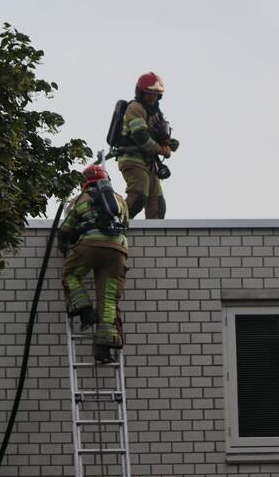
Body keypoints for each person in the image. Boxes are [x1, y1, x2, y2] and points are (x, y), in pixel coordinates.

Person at [58, 163, 130, 363]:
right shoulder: (120, 201)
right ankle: (103, 349)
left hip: (89, 246)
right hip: (118, 251)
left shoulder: (81, 199)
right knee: (107, 299)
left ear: (85, 183)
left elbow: (65, 229)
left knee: (71, 274)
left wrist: (63, 246)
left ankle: (85, 311)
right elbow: (126, 226)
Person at [114, 71, 179, 219]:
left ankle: (155, 236)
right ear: (141, 93)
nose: (152, 97)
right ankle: (115, 224)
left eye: (156, 94)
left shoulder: (156, 112)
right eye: (149, 94)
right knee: (138, 196)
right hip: (132, 158)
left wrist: (169, 142)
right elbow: (141, 137)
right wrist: (162, 150)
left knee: (158, 204)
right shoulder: (135, 108)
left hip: (149, 161)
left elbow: (156, 134)